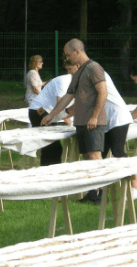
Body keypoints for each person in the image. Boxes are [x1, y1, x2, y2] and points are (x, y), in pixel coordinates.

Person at [41, 39, 108, 204]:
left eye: (68, 55)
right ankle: (92, 193)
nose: (67, 58)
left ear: (77, 51)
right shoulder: (78, 73)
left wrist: (94, 116)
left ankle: (102, 195)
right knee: (87, 157)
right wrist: (52, 115)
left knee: (95, 156)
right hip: (81, 122)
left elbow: (103, 93)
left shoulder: (94, 68)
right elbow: (68, 97)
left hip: (94, 122)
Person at [102, 72, 137, 198]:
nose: (69, 72)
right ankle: (97, 191)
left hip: (119, 117)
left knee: (117, 151)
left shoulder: (95, 73)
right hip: (109, 119)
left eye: (70, 68)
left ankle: (135, 185)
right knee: (101, 153)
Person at [28, 60, 77, 166]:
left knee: (54, 148)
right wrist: (71, 124)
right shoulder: (64, 81)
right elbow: (60, 105)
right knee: (51, 147)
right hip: (39, 112)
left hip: (47, 112)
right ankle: (48, 175)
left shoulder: (77, 82)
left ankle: (52, 174)